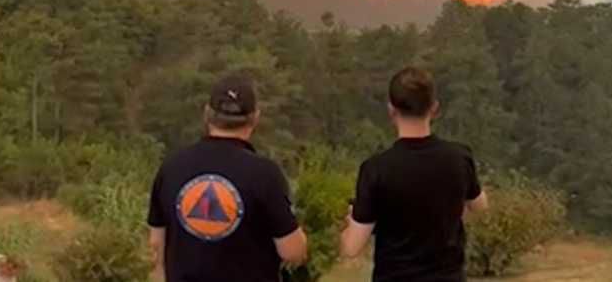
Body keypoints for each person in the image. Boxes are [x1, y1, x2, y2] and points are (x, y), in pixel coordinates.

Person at [148, 74, 308, 282]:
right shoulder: (265, 174)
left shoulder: (171, 167)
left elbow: (155, 246)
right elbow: (292, 252)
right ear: (255, 118)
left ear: (207, 114)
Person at [339, 66, 488, 282]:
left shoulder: (376, 169)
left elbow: (351, 248)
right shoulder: (459, 158)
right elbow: (480, 207)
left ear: (391, 110)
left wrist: (351, 220)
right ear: (434, 108)